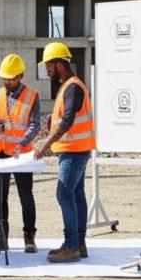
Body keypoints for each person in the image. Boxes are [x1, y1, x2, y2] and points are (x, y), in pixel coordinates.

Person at [34, 42, 96, 263]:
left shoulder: (72, 87)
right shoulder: (68, 85)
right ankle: (78, 244)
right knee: (76, 195)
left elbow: (68, 121)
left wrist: (45, 144)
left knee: (64, 194)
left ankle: (71, 246)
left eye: (49, 65)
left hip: (73, 151)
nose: (47, 70)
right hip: (76, 150)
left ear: (59, 64)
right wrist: (52, 121)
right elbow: (65, 117)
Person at [0, 53, 40, 253]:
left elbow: (35, 125)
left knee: (26, 196)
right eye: (4, 78)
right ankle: (1, 238)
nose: (6, 81)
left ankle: (29, 237)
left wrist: (22, 142)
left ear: (20, 76)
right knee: (0, 197)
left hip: (21, 154)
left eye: (11, 78)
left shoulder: (31, 96)